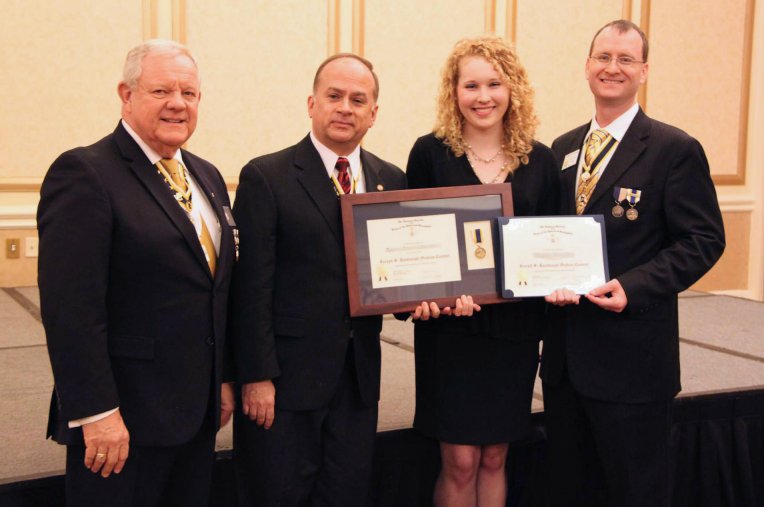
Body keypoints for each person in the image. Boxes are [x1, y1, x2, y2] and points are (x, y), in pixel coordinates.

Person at [37, 39, 236, 507]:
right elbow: (71, 311)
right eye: (161, 90)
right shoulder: (86, 173)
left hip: (194, 415)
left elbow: (215, 290)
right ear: (126, 95)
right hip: (122, 424)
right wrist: (97, 413)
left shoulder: (206, 176)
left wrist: (222, 379)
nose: (177, 103)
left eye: (189, 93)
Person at [542, 20, 725, 507]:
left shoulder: (673, 150)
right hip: (565, 362)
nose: (612, 68)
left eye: (625, 59)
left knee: (635, 492)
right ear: (587, 66)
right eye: (603, 57)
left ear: (643, 71)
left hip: (633, 364)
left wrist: (634, 285)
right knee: (569, 490)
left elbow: (704, 239)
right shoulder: (561, 149)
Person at [229, 53, 407, 507]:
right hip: (284, 383)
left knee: (346, 493)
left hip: (358, 380)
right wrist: (256, 376)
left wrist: (430, 298)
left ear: (374, 113)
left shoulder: (391, 180)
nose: (345, 107)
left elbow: (400, 276)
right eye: (334, 96)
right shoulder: (266, 177)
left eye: (357, 99)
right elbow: (251, 289)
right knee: (278, 495)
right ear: (312, 103)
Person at [405, 36, 560, 507]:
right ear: (454, 92)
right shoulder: (429, 153)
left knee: (494, 457)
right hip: (451, 334)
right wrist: (426, 296)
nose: (483, 96)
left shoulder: (541, 159)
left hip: (514, 332)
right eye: (471, 85)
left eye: (494, 83)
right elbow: (414, 241)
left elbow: (551, 246)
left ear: (513, 89)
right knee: (460, 461)